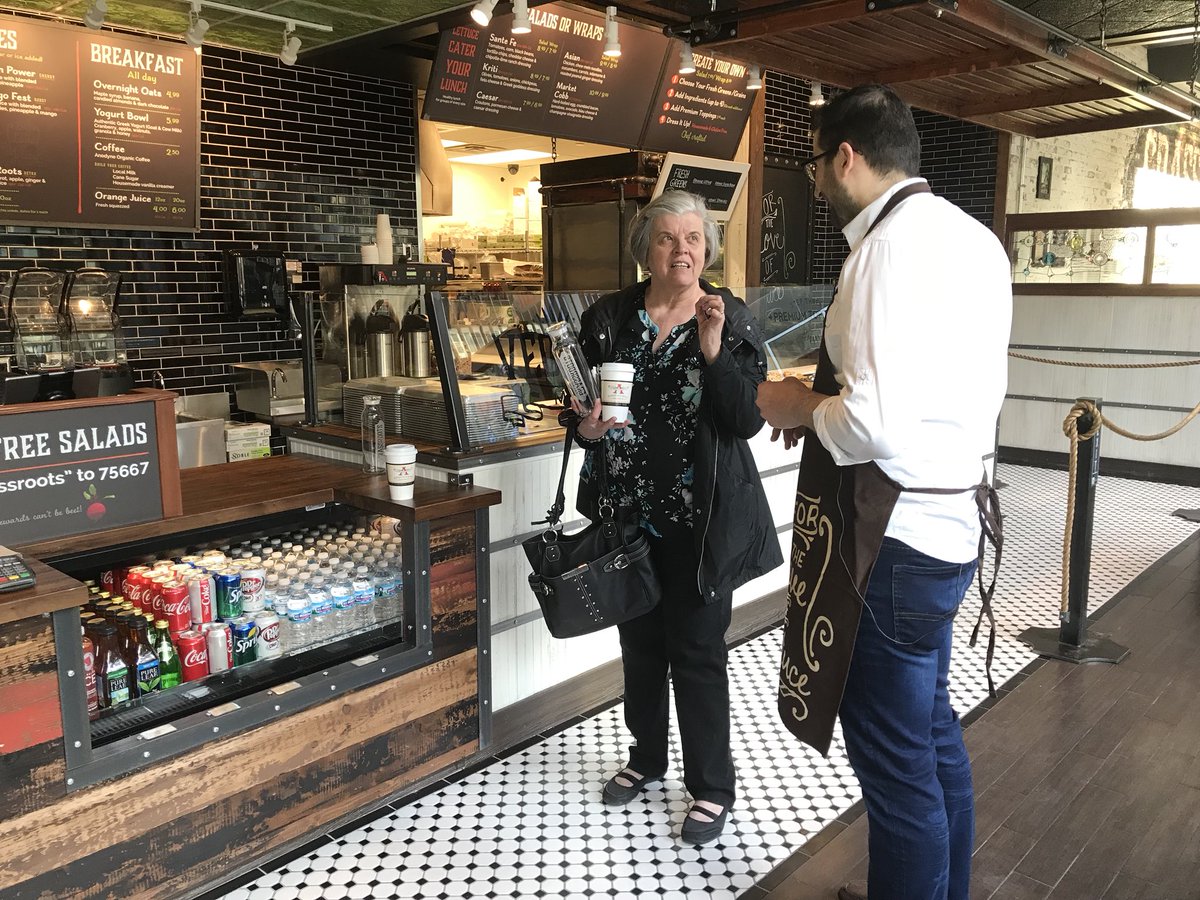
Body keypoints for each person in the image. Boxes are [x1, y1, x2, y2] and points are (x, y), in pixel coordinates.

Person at [755, 84, 1011, 899]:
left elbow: (877, 425)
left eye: (814, 166)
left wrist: (799, 406)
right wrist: (827, 411)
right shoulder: (974, 238)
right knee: (932, 740)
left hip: (893, 544)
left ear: (845, 157)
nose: (815, 184)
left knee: (898, 773)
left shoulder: (885, 249)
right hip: (952, 526)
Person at [570, 189, 782, 846]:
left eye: (693, 238)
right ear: (646, 249)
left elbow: (746, 419)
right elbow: (577, 404)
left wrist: (714, 352)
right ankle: (646, 758)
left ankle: (712, 786)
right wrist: (584, 427)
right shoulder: (609, 317)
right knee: (639, 646)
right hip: (627, 514)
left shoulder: (728, 317)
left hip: (699, 521)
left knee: (696, 652)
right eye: (667, 237)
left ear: (707, 250)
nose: (681, 250)